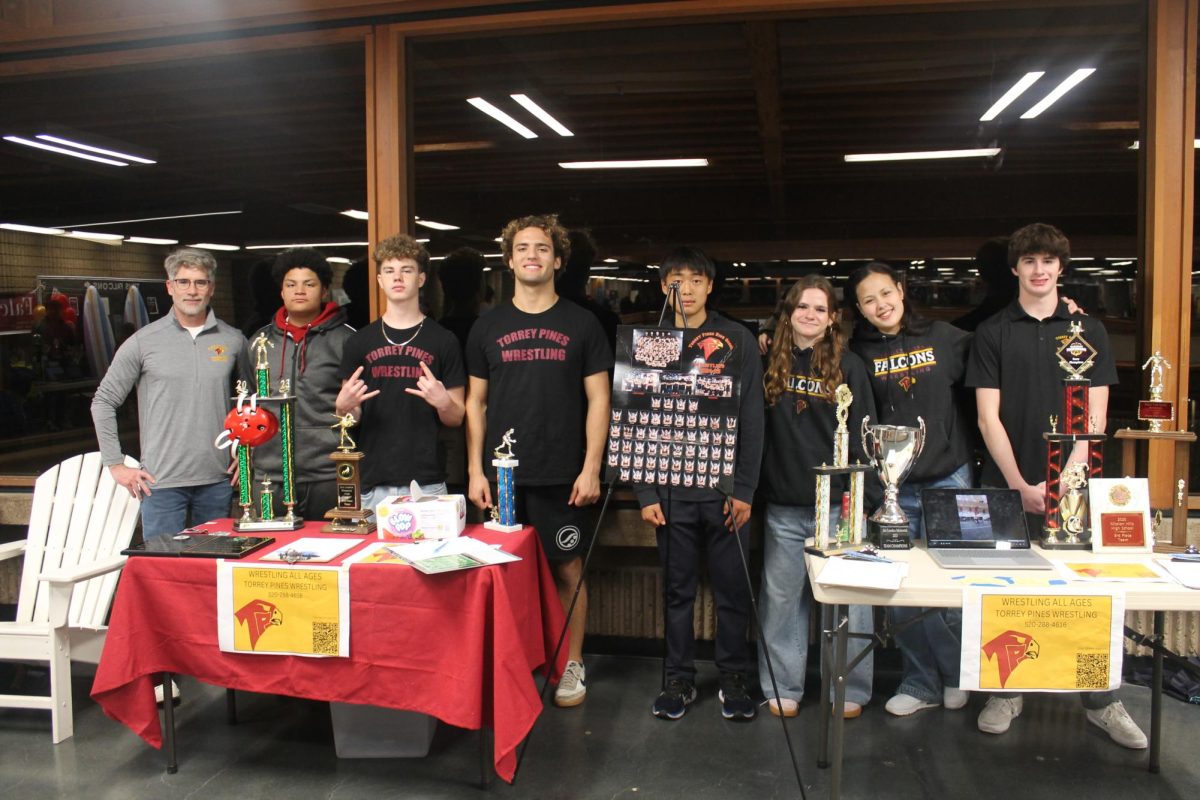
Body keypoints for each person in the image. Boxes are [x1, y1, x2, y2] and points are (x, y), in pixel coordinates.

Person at [965, 222, 1147, 748]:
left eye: (1048, 261)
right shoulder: (994, 332)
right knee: (1007, 596)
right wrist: (1022, 483)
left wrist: (1067, 480)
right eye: (1029, 261)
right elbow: (986, 419)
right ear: (1016, 269)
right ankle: (1007, 691)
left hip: (1075, 486)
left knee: (1090, 596)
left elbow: (1095, 416)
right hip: (1007, 485)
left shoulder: (1088, 331)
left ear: (1061, 268)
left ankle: (1102, 701)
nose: (1039, 270)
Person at [465, 214, 612, 708]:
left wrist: (591, 466)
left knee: (567, 568)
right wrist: (474, 471)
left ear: (557, 259)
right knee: (502, 575)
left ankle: (572, 665)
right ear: (509, 261)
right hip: (503, 480)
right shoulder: (487, 326)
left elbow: (599, 400)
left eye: (542, 248)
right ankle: (513, 665)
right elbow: (475, 404)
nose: (532, 255)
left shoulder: (582, 323)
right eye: (522, 248)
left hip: (561, 474)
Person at [638, 246, 764, 722]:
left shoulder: (736, 339)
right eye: (676, 279)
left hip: (726, 491)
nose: (685, 288)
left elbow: (752, 419)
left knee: (734, 591)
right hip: (669, 492)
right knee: (677, 591)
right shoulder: (650, 341)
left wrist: (744, 489)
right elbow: (637, 418)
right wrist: (646, 492)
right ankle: (678, 679)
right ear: (663, 285)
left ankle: (734, 677)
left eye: (695, 279)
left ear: (709, 286)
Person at [847, 262, 973, 716]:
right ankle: (921, 683)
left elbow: (994, 358)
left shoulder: (945, 336)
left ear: (901, 290)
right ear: (859, 309)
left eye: (886, 293)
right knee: (899, 589)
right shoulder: (856, 350)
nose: (881, 304)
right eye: (868, 300)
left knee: (951, 586)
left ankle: (959, 674)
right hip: (892, 487)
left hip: (949, 476)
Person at [757, 274, 875, 719]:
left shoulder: (852, 367)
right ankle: (782, 685)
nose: (809, 315)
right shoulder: (768, 361)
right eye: (801, 307)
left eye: (819, 309)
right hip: (786, 506)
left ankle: (850, 688)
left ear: (833, 319)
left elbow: (865, 437)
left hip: (841, 508)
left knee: (850, 603)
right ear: (788, 314)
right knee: (782, 603)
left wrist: (867, 497)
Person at [91, 247, 250, 540]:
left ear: (211, 288)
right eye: (183, 282)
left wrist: (248, 452)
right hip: (160, 483)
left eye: (200, 282)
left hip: (217, 481)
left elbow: (252, 405)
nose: (192, 291)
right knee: (163, 571)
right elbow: (103, 402)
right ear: (170, 287)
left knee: (211, 570)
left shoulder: (233, 340)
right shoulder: (143, 342)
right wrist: (115, 464)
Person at [336, 234, 465, 511]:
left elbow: (456, 417)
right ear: (380, 280)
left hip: (427, 482)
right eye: (389, 271)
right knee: (371, 557)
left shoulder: (444, 340)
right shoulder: (359, 341)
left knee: (431, 555)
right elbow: (351, 414)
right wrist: (343, 407)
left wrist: (443, 402)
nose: (398, 278)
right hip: (372, 481)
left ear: (420, 279)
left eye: (406, 270)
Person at [247, 247, 355, 521]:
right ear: (281, 292)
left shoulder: (348, 341)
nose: (300, 291)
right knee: (271, 557)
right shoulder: (259, 342)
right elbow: (246, 404)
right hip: (270, 474)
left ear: (324, 291)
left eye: (309, 284)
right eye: (291, 284)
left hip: (328, 473)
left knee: (333, 553)